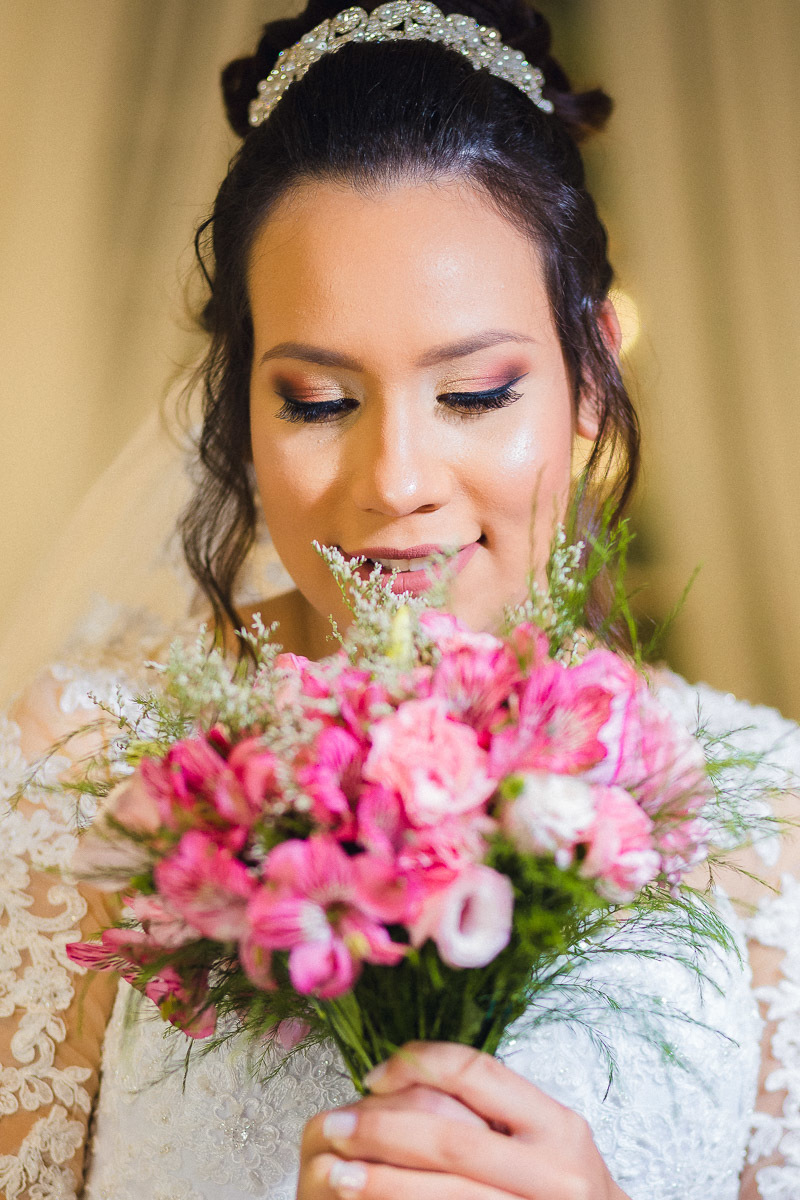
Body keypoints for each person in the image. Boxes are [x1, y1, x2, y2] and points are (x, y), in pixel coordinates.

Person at [1, 2, 799, 1198]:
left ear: (587, 383)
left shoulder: (765, 831)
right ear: (241, 418)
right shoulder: (80, 789)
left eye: (474, 392)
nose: (397, 486)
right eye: (319, 402)